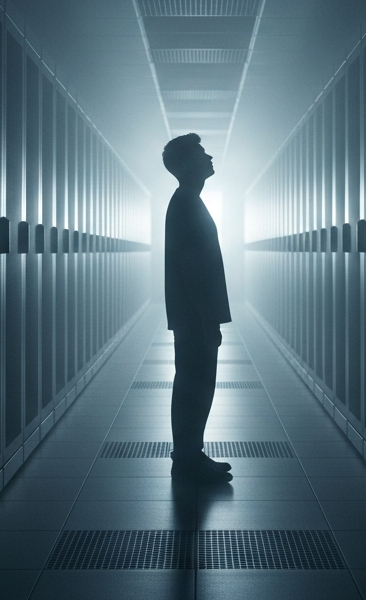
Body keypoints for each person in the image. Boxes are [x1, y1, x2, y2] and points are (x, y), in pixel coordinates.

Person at [162, 133, 233, 483]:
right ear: (188, 164)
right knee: (196, 384)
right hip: (194, 316)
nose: (209, 157)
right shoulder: (187, 204)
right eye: (202, 153)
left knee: (192, 382)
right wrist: (208, 319)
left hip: (190, 314)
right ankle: (188, 457)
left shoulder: (186, 201)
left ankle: (189, 453)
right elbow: (192, 269)